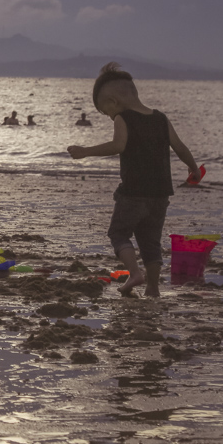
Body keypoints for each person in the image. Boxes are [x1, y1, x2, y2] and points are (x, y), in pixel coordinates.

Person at [67, 62, 200, 298]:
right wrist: (193, 168)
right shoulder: (160, 118)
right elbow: (179, 147)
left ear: (114, 103)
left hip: (133, 193)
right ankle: (153, 288)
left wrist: (86, 151)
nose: (109, 117)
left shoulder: (123, 118)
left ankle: (135, 273)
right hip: (160, 195)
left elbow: (118, 146)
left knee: (119, 234)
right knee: (151, 242)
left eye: (106, 112)